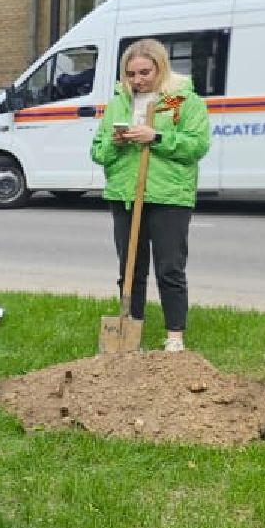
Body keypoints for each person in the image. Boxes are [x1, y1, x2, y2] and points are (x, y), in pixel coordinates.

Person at [88, 38, 210, 353]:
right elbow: (97, 151)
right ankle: (130, 332)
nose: (138, 80)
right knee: (130, 268)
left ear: (160, 68)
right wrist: (115, 143)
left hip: (169, 196)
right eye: (131, 74)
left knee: (169, 269)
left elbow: (197, 146)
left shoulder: (185, 101)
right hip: (125, 195)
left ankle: (174, 337)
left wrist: (156, 137)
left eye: (145, 72)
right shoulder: (119, 103)